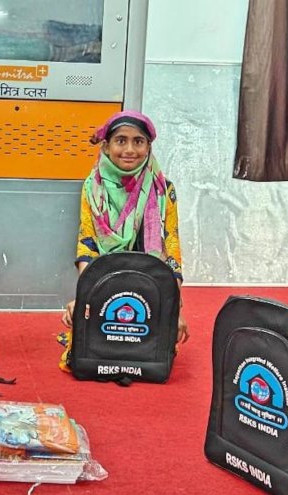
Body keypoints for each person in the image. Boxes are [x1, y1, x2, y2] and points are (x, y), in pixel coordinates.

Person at [59, 110, 189, 370]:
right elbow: (87, 243)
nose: (129, 150)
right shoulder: (92, 187)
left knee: (153, 356)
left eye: (138, 141)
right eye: (121, 141)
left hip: (151, 285)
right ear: (107, 146)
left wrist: (174, 308)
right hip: (105, 283)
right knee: (86, 353)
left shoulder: (163, 189)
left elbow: (171, 247)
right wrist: (85, 297)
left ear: (148, 146)